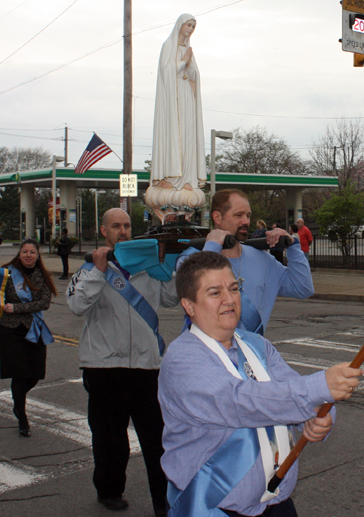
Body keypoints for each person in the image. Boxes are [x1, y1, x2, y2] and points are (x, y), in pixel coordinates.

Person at [159, 251, 363, 517]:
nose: (230, 299)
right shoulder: (182, 359)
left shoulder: (257, 344)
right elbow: (239, 402)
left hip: (276, 503)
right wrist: (319, 387)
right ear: (189, 306)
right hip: (211, 506)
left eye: (234, 288)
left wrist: (318, 418)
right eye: (214, 292)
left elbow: (295, 389)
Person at [66, 208, 178, 516]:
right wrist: (98, 272)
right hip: (104, 368)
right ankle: (109, 490)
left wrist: (169, 263)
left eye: (127, 225)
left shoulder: (147, 268)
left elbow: (172, 297)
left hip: (147, 368)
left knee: (158, 441)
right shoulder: (90, 269)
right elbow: (76, 304)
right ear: (104, 231)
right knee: (110, 441)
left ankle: (164, 501)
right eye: (116, 226)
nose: (123, 230)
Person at [178, 189, 313, 335]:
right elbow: (197, 294)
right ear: (217, 217)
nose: (246, 222)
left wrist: (292, 246)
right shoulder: (190, 259)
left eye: (248, 216)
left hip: (250, 354)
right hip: (204, 353)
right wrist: (212, 248)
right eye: (239, 215)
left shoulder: (263, 259)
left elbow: (303, 288)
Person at [145, 13, 206, 221]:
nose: (190, 29)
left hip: (187, 98)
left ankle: (187, 178)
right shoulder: (168, 46)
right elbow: (165, 72)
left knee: (188, 138)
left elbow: (195, 76)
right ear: (180, 25)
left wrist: (189, 65)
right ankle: (170, 179)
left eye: (193, 26)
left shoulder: (188, 50)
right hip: (173, 102)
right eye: (188, 25)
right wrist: (182, 62)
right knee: (174, 137)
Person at [0, 238, 58, 437]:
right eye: (25, 251)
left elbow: (44, 303)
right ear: (20, 253)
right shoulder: (7, 272)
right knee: (19, 373)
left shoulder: (42, 276)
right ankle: (22, 418)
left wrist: (17, 307)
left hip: (34, 328)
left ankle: (17, 401)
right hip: (11, 329)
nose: (28, 255)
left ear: (37, 255)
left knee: (35, 374)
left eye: (32, 252)